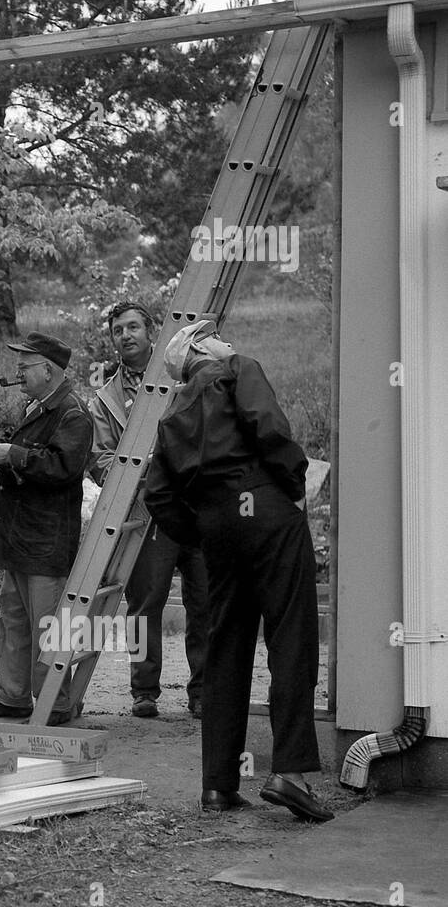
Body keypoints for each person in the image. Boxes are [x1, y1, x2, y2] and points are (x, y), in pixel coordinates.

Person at [144, 321, 332, 822]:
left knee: (225, 644)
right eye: (219, 337)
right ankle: (288, 772)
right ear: (205, 348)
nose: (229, 341)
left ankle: (218, 786)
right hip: (265, 507)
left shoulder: (173, 413)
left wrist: (203, 530)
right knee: (291, 636)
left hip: (218, 525)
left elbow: (158, 494)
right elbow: (269, 428)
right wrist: (293, 482)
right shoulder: (237, 369)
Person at [88, 301, 210, 719]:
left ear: (152, 331)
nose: (126, 335)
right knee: (144, 606)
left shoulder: (183, 375)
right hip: (147, 516)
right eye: (118, 329)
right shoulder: (105, 399)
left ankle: (204, 691)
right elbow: (102, 460)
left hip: (195, 507)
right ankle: (144, 691)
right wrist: (143, 478)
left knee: (206, 600)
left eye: (134, 326)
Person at [0, 332, 93, 727]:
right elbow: (35, 464)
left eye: (24, 366)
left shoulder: (72, 413)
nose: (19, 372)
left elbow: (63, 468)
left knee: (48, 626)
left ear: (48, 370)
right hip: (21, 538)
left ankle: (55, 703)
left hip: (46, 541)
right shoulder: (39, 406)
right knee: (15, 620)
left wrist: (15, 454)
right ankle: (13, 696)